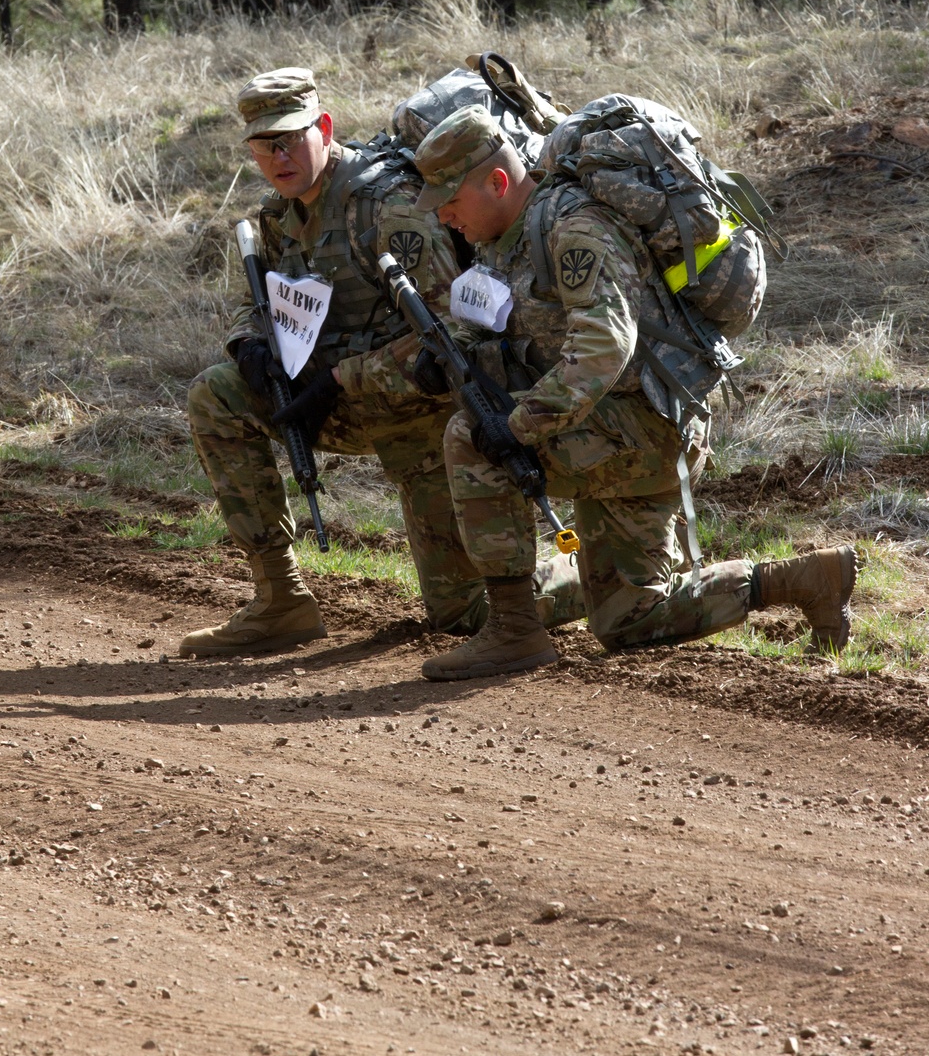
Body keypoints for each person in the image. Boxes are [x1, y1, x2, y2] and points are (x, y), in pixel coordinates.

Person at [409, 105, 858, 682]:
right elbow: (505, 313)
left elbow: (603, 349)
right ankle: (804, 579)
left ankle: (515, 630)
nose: (444, 215)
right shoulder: (509, 235)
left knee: (470, 438)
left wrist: (516, 427)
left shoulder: (572, 227)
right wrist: (447, 349)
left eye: (450, 198)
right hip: (626, 426)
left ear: (497, 182)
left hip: (643, 430)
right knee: (628, 619)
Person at [179, 70, 582, 659]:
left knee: (461, 613)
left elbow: (452, 326)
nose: (280, 156)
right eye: (265, 146)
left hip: (420, 420)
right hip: (326, 403)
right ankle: (280, 600)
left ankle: (602, 573)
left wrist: (341, 378)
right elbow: (253, 295)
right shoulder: (278, 214)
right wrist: (248, 344)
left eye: (291, 137)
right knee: (215, 394)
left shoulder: (386, 204)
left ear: (324, 127)